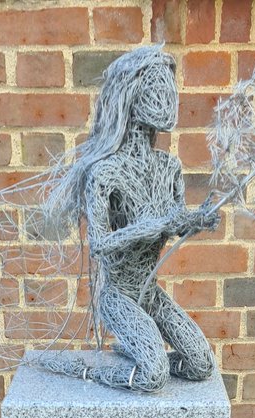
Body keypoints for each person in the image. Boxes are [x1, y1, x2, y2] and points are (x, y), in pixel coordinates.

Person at [29, 45, 220, 393]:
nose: (167, 97)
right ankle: (93, 372)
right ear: (131, 93)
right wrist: (152, 226)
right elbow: (100, 243)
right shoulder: (106, 172)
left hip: (149, 292)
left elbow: (174, 222)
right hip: (118, 295)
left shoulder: (169, 167)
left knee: (201, 364)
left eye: (168, 85)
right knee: (154, 374)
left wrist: (196, 221)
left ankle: (134, 349)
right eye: (155, 85)